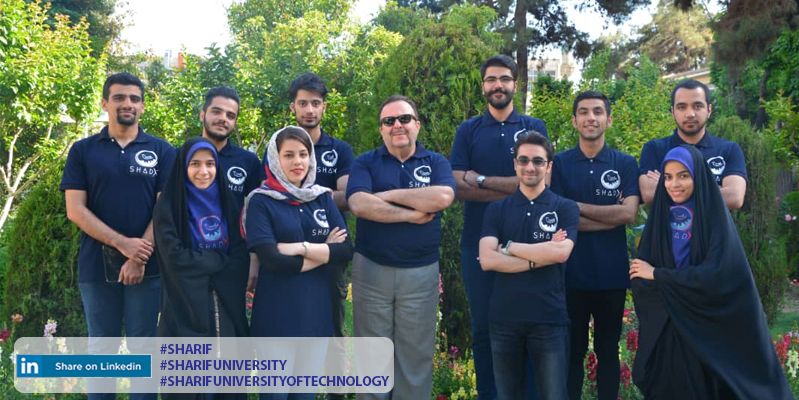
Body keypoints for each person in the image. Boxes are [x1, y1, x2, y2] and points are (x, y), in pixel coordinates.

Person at [629, 145, 792, 399]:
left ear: (699, 177)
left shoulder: (714, 218)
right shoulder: (660, 218)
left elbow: (717, 275)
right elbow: (641, 275)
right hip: (670, 331)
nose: (674, 184)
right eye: (668, 177)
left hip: (709, 336)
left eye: (684, 175)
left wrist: (659, 276)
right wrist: (657, 281)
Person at [60, 72, 175, 400]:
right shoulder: (83, 151)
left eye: (135, 99)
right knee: (102, 348)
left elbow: (165, 210)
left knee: (144, 348)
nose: (128, 104)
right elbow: (75, 210)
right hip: (96, 267)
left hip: (148, 267)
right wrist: (123, 245)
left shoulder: (162, 150)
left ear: (142, 106)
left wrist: (139, 257)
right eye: (120, 97)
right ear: (105, 103)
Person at [450, 54, 548, 400]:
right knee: (483, 328)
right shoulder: (468, 130)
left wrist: (480, 180)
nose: (498, 85)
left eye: (504, 79)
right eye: (491, 79)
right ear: (483, 86)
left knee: (530, 326)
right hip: (478, 242)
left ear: (515, 85)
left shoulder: (534, 127)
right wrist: (516, 186)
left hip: (529, 242)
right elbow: (457, 187)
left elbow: (539, 182)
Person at [347, 95, 455, 399]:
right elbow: (359, 204)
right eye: (389, 121)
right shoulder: (365, 162)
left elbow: (443, 197)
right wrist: (412, 213)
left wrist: (385, 195)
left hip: (420, 273)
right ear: (381, 129)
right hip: (372, 271)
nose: (397, 125)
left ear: (417, 124)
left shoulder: (436, 162)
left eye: (404, 119)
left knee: (415, 359)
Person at [262, 75, 354, 400]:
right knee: (289, 323)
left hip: (329, 255)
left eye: (316, 103)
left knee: (331, 328)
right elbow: (271, 195)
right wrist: (315, 198)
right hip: (298, 250)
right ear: (293, 107)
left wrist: (311, 195)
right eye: (303, 103)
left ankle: (335, 394)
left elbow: (346, 196)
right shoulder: (279, 147)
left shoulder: (339, 150)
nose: (309, 109)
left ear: (324, 107)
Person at [549, 91, 639, 400]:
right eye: (584, 112)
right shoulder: (559, 164)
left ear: (608, 120)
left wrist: (575, 207)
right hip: (570, 275)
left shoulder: (625, 163)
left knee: (608, 349)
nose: (591, 118)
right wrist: (609, 215)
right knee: (572, 352)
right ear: (574, 121)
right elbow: (559, 220)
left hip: (611, 275)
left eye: (598, 112)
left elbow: (629, 213)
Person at [479, 131, 578, 400]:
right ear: (515, 164)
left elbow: (561, 254)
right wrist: (541, 256)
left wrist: (509, 247)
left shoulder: (565, 208)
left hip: (549, 318)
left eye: (537, 161)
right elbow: (487, 260)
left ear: (549, 166)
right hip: (504, 319)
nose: (530, 167)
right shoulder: (496, 210)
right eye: (523, 160)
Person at [153, 137, 249, 400]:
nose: (203, 171)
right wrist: (217, 262)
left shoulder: (229, 202)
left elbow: (240, 254)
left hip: (226, 303)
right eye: (195, 164)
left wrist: (208, 265)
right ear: (183, 167)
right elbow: (174, 257)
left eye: (210, 164)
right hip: (183, 302)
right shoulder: (168, 206)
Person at [638, 79, 746, 209]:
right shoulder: (655, 149)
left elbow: (734, 197)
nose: (690, 114)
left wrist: (669, 186)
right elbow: (649, 194)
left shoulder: (728, 149)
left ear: (709, 110)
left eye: (697, 106)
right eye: (682, 107)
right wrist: (714, 189)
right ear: (673, 112)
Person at [198, 86, 262, 292]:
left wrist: (254, 258)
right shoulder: (180, 156)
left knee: (231, 313)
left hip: (233, 259)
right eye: (216, 111)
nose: (223, 119)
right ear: (202, 115)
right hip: (190, 259)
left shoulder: (248, 162)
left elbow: (257, 213)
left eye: (230, 115)